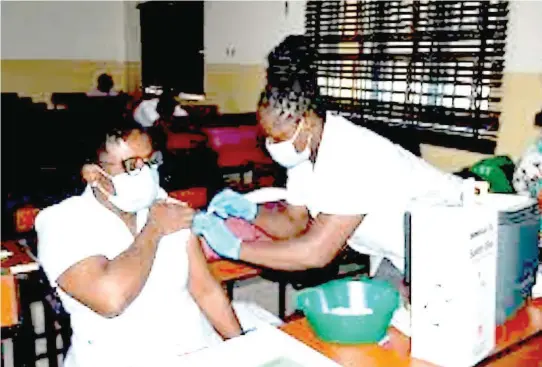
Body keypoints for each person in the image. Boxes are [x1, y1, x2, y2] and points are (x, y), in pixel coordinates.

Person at [194, 35, 465, 307]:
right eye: (268, 137)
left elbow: (316, 252)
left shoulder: (350, 153)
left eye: (278, 137)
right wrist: (252, 213)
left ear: (308, 122)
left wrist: (237, 248)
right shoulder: (304, 156)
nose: (272, 146)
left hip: (458, 243)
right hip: (400, 254)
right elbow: (294, 224)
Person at [36, 118, 277, 367]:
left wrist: (241, 346)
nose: (146, 173)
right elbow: (110, 299)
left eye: (150, 161)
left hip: (195, 348)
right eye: (131, 166)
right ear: (93, 174)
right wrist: (154, 229)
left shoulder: (164, 205)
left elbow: (204, 289)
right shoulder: (61, 221)